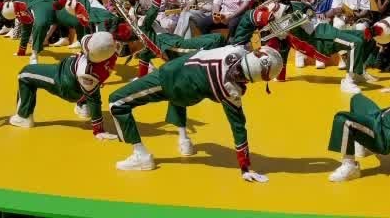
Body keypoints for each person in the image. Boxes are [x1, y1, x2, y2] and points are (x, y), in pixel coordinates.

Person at [109, 45, 281, 179]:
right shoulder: (230, 91)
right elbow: (238, 127)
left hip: (170, 79)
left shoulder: (237, 50)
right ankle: (184, 142)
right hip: (186, 90)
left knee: (116, 102)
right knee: (178, 100)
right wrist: (244, 166)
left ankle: (141, 155)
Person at [10, 31, 120, 140]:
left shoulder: (87, 71)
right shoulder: (113, 50)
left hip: (63, 81)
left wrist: (98, 129)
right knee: (88, 89)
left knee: (24, 74)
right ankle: (83, 106)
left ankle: (23, 116)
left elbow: (94, 99)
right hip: (80, 83)